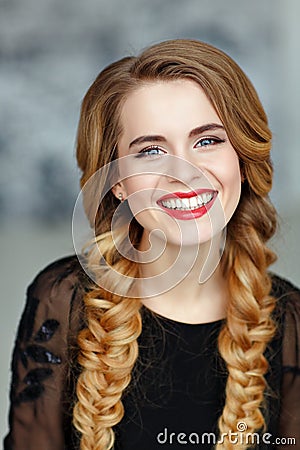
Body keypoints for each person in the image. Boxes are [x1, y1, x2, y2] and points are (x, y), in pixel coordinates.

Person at [4, 39, 300, 450]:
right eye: (152, 151)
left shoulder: (291, 321)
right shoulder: (64, 302)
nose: (185, 174)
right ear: (118, 182)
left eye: (207, 141)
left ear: (243, 161)